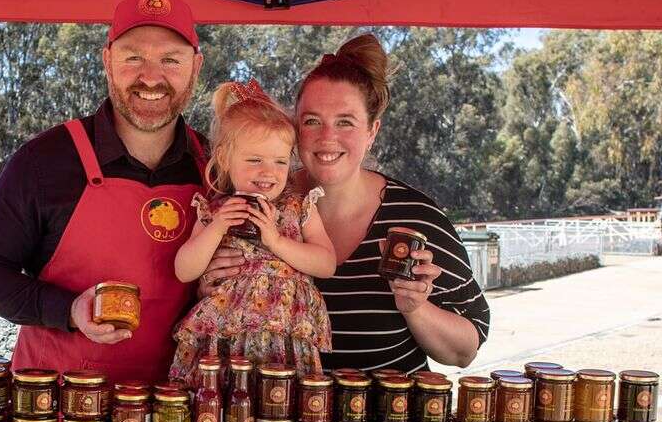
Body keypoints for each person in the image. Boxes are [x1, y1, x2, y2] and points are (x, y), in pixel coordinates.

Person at [0, 0, 207, 380]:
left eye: (171, 60)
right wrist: (68, 310)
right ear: (107, 61)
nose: (151, 77)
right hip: (54, 411)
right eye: (133, 57)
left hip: (174, 409)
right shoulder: (44, 161)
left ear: (196, 67)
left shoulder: (214, 166)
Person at [200, 34, 489, 372]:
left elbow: (463, 352)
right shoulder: (248, 205)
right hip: (273, 420)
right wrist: (209, 288)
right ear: (294, 129)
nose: (327, 137)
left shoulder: (417, 218)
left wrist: (416, 307)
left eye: (345, 122)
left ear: (372, 131)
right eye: (311, 121)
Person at [169, 80, 336, 384]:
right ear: (224, 160)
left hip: (284, 332)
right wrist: (216, 228)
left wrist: (276, 241)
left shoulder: (298, 209)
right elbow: (184, 269)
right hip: (227, 336)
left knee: (279, 404)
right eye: (255, 160)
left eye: (280, 161)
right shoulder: (215, 211)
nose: (268, 172)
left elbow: (326, 263)